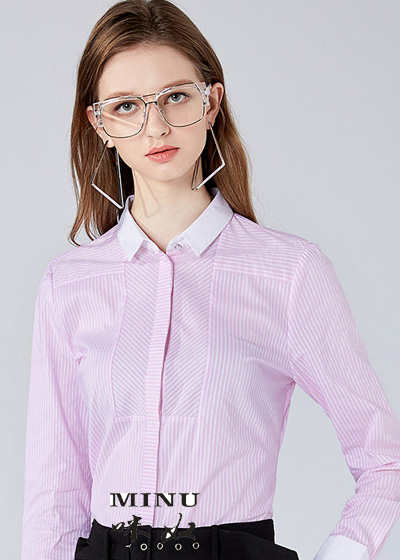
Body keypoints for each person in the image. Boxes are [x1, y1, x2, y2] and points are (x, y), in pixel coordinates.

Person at [21, 1, 400, 559]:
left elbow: (385, 460)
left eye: (176, 96)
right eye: (126, 106)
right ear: (100, 125)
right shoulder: (69, 285)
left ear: (212, 102)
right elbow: (53, 495)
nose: (156, 126)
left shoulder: (288, 273)